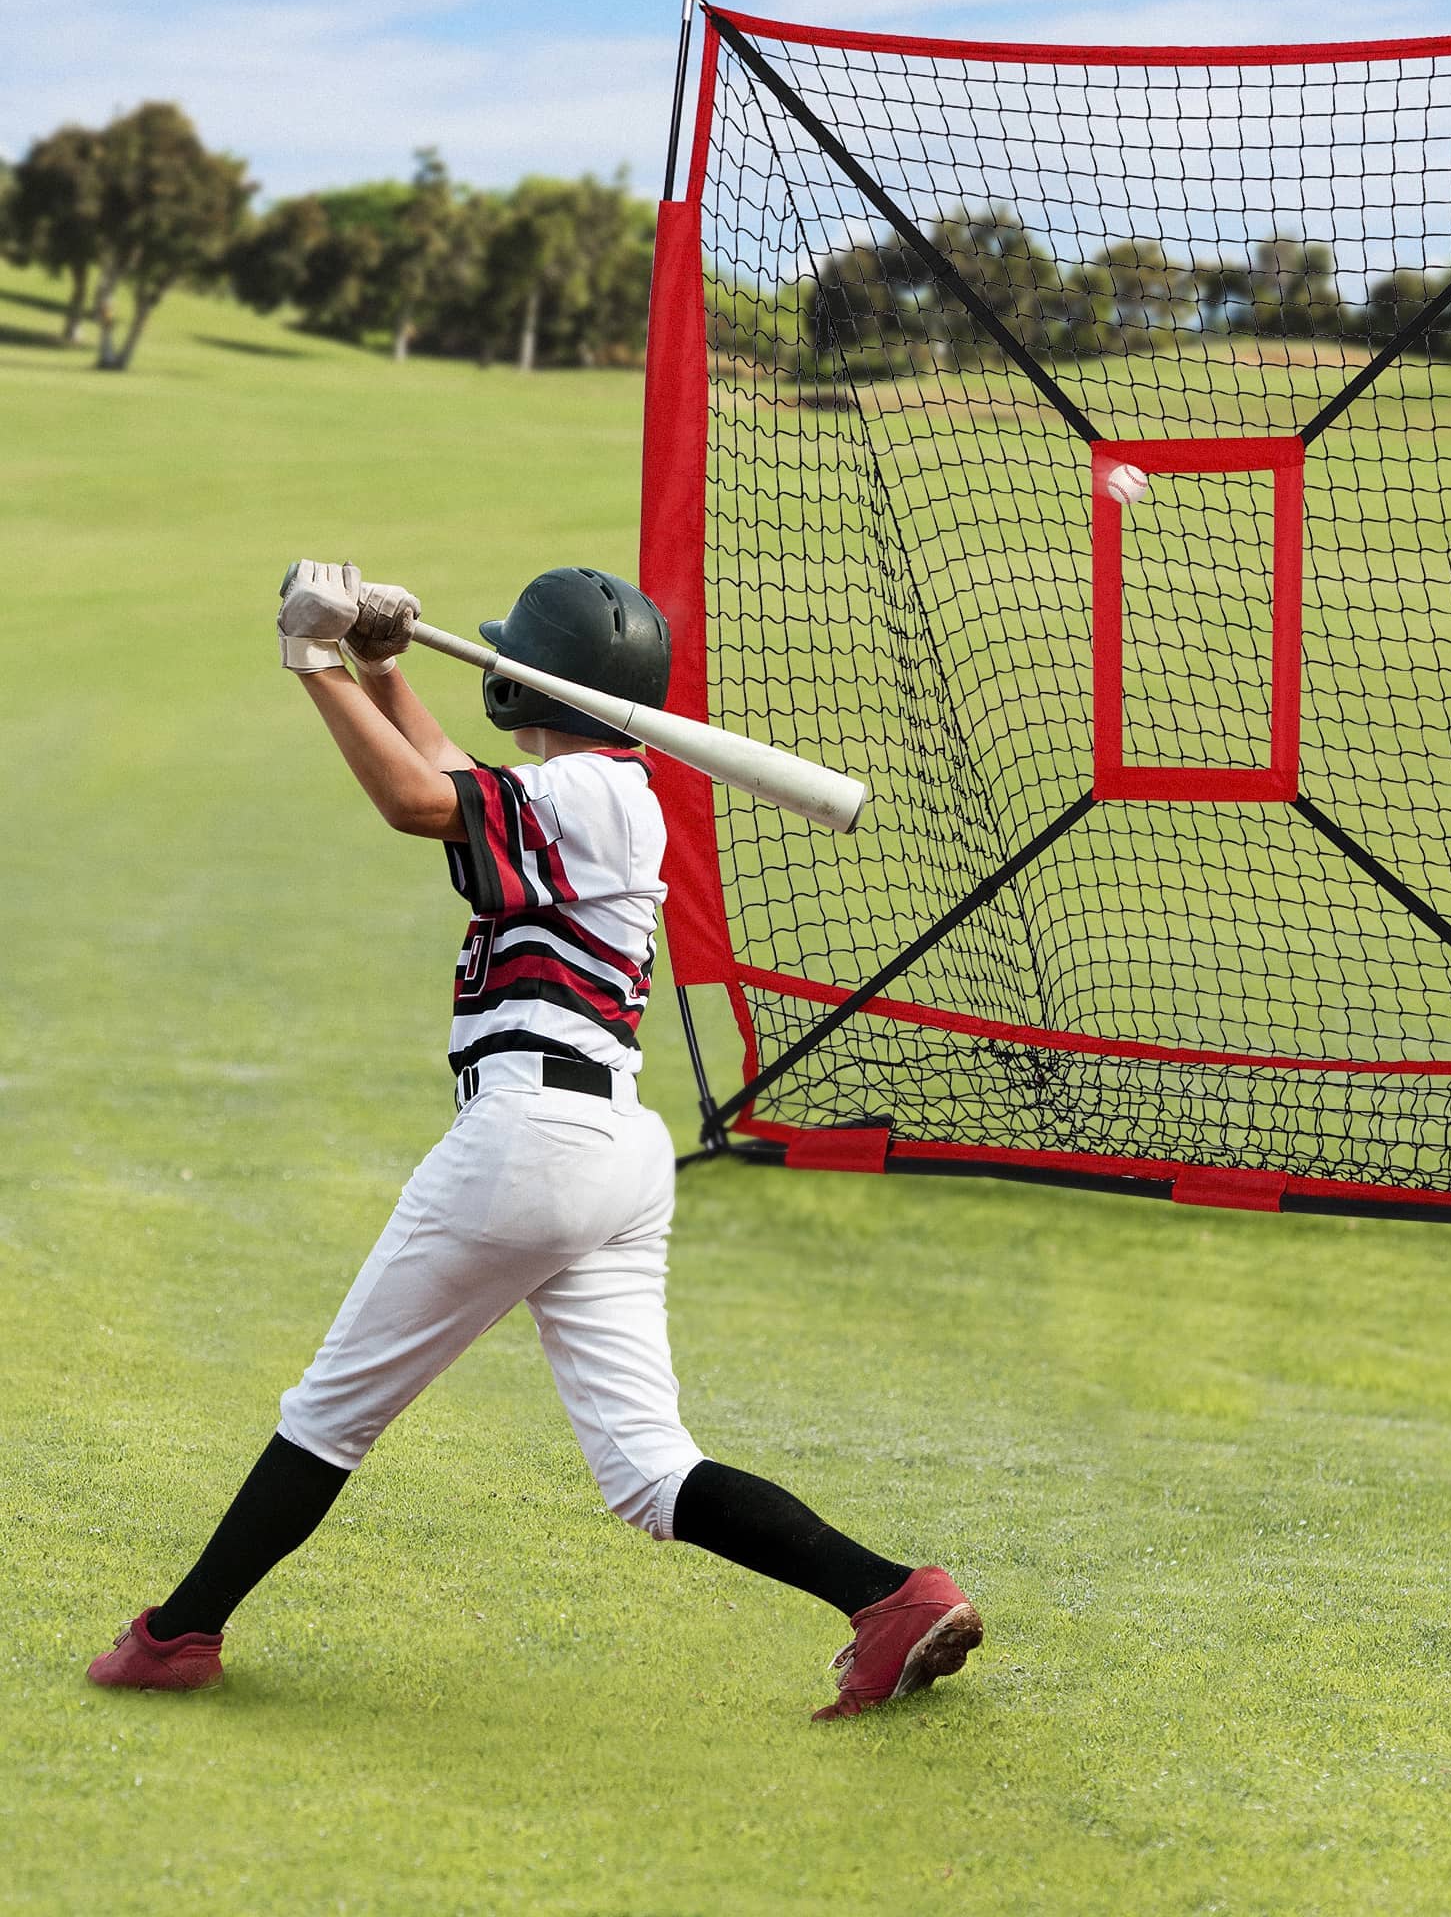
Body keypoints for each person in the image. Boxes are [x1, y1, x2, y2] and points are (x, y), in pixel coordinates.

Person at [86, 560, 982, 1720]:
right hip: (609, 1147)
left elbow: (418, 800)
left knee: (328, 1413)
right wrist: (382, 667)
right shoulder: (600, 793)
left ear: (530, 684)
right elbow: (455, 783)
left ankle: (176, 1633)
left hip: (531, 1143)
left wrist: (312, 665)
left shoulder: (590, 797)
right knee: (650, 1470)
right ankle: (890, 1595)